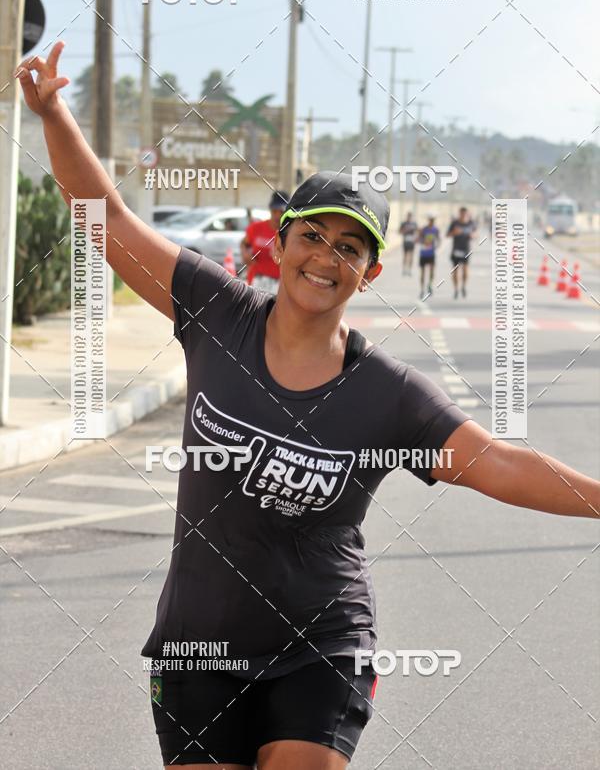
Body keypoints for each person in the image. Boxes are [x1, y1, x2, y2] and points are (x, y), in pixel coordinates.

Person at [16, 42, 600, 770]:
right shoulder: (214, 314)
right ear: (282, 238)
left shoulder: (389, 395)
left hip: (322, 642)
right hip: (199, 640)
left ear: (371, 270)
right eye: (314, 235)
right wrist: (53, 114)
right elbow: (108, 222)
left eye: (350, 248)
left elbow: (499, 465)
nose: (327, 257)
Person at [241, 190, 289, 296]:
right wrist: (245, 254)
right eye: (274, 211)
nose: (277, 215)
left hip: (279, 287)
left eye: (281, 212)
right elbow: (244, 243)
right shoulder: (256, 228)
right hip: (255, 283)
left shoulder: (290, 234)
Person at [447, 206, 477, 299]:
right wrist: (454, 233)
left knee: (465, 270)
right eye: (461, 213)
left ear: (467, 214)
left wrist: (473, 235)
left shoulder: (471, 223)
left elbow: (476, 234)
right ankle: (456, 289)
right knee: (455, 271)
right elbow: (448, 235)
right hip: (456, 250)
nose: (463, 215)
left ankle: (463, 286)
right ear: (459, 214)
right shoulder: (454, 223)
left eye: (465, 214)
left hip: (466, 250)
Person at [417, 215, 440, 299]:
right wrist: (423, 241)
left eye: (433, 220)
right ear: (428, 221)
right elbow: (418, 239)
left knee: (432, 271)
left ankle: (430, 285)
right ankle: (422, 289)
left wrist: (436, 245)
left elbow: (439, 240)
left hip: (431, 253)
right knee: (423, 272)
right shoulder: (423, 229)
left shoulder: (436, 230)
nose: (432, 222)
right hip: (423, 253)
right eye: (431, 220)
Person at [398, 211, 418, 276]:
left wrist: (416, 238)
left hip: (412, 241)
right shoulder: (404, 223)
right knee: (405, 256)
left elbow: (417, 232)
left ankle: (410, 270)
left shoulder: (414, 224)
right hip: (406, 241)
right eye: (408, 216)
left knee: (411, 256)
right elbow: (400, 231)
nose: (409, 217)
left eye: (410, 216)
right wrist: (405, 230)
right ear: (407, 216)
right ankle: (404, 270)